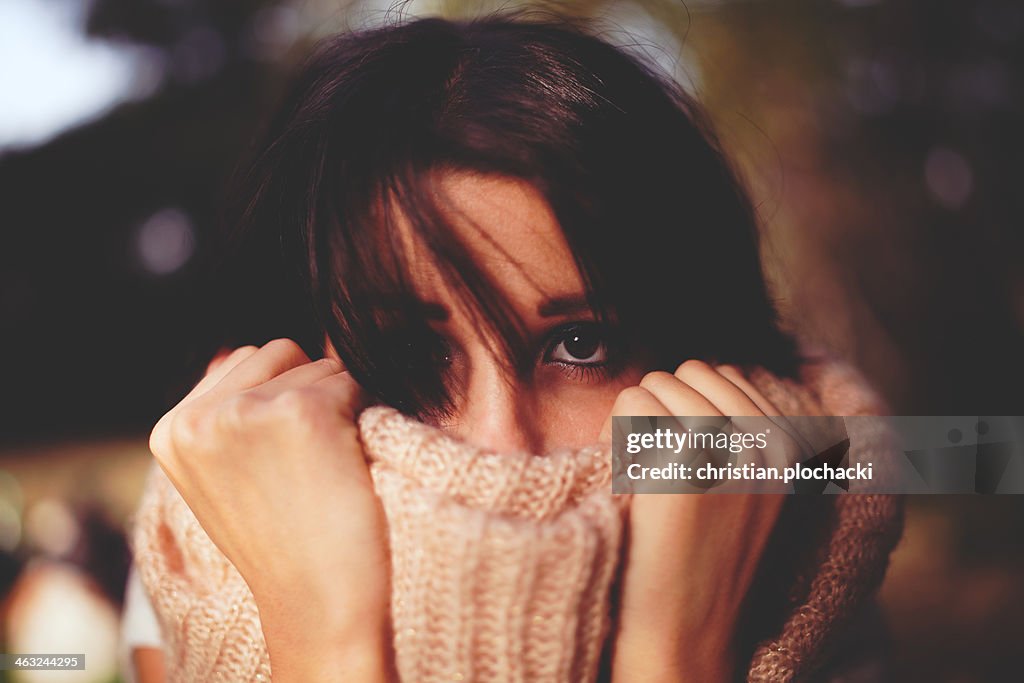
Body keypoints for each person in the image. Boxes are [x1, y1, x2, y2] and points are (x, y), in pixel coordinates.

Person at [124, 14, 902, 682]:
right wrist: (324, 633)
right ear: (286, 369)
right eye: (409, 356)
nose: (501, 446)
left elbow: (977, 456)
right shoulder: (190, 563)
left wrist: (675, 653)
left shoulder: (816, 534)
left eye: (579, 342)